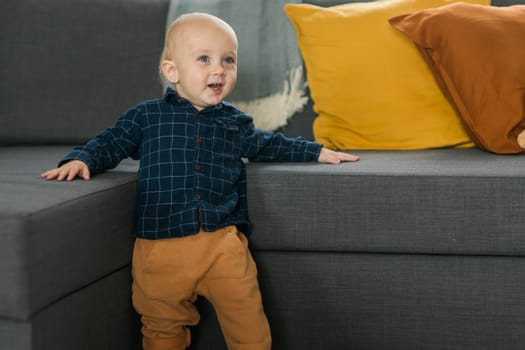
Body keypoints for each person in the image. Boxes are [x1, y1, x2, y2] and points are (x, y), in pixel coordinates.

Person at [41, 12, 359, 350]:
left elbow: (269, 144)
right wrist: (81, 158)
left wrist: (315, 151)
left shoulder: (235, 124)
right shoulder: (147, 116)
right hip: (158, 248)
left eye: (228, 60)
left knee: (248, 322)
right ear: (172, 71)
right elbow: (111, 141)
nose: (219, 69)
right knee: (162, 329)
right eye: (204, 59)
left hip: (222, 244)